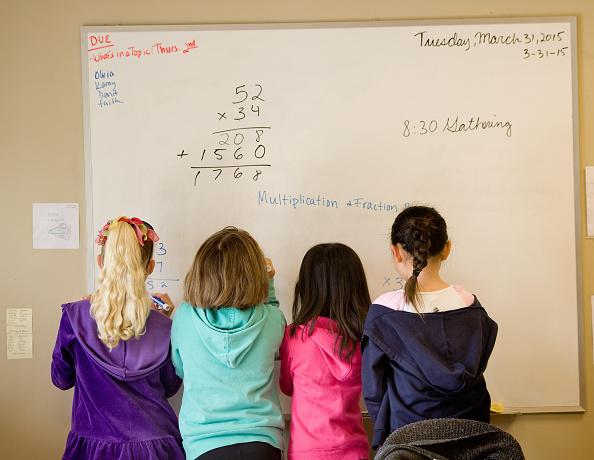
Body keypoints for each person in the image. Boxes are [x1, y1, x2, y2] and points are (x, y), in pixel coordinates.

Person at [361, 205, 498, 450]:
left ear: (396, 252)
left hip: (407, 441)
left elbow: (374, 392)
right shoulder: (471, 306)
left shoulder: (385, 312)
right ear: (446, 249)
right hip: (471, 439)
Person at [51, 216, 184, 459]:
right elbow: (170, 387)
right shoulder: (165, 326)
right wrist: (165, 317)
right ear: (150, 267)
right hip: (157, 447)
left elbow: (61, 379)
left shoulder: (74, 316)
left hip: (94, 447)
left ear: (101, 262)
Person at [171, 226, 286, 460]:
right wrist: (269, 284)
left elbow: (180, 369)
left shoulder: (184, 316)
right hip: (262, 443)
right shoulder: (273, 319)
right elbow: (274, 339)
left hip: (203, 445)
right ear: (255, 274)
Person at [280, 243, 371, 460]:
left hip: (306, 452)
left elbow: (286, 386)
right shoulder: (365, 340)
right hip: (354, 450)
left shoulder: (295, 337)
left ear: (307, 287)